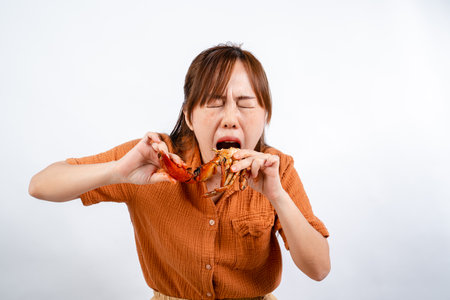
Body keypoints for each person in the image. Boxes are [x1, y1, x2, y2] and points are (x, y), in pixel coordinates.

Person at [29, 43, 330, 300]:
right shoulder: (153, 157)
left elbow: (319, 269)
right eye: (214, 103)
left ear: (265, 115)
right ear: (189, 115)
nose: (230, 118)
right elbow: (40, 185)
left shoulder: (277, 168)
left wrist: (277, 195)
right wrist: (118, 172)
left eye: (245, 105)